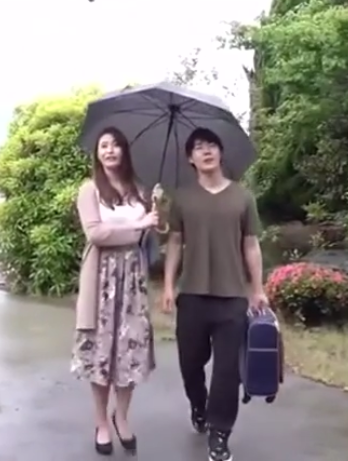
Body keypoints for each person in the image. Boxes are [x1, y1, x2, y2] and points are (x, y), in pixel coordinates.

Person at [162, 127, 268, 461]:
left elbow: (251, 244)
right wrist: (168, 285)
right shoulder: (182, 198)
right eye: (198, 147)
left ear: (221, 153)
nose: (206, 151)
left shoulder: (243, 197)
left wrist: (257, 288)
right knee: (190, 363)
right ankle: (198, 404)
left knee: (227, 371)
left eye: (211, 145)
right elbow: (175, 242)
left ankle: (220, 433)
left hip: (231, 296)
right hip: (192, 295)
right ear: (190, 159)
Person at [73, 127, 159, 456]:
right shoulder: (89, 190)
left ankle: (121, 416)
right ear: (97, 153)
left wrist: (154, 218)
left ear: (125, 151)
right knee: (101, 352)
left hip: (133, 279)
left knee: (130, 350)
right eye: (104, 146)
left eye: (116, 145)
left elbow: (146, 239)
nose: (110, 151)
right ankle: (101, 423)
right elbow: (96, 234)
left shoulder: (140, 190)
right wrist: (137, 226)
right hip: (101, 279)